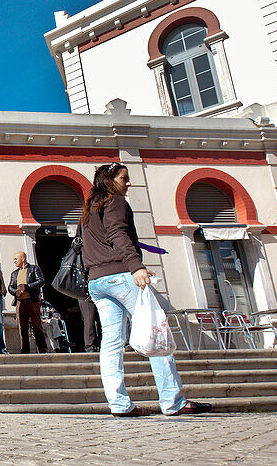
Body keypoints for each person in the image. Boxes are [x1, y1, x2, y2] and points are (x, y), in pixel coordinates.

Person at [82, 162, 211, 417]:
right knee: (157, 332)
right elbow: (117, 232)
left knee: (111, 344)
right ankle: (172, 401)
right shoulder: (115, 201)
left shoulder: (88, 209)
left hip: (97, 281)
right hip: (120, 276)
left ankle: (119, 404)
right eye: (124, 178)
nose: (128, 183)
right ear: (110, 180)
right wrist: (135, 266)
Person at [8, 251, 48, 354]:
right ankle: (25, 349)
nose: (14, 261)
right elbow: (10, 287)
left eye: (16, 258)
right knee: (22, 326)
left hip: (32, 301)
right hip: (20, 302)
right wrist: (15, 292)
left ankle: (42, 348)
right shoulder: (14, 273)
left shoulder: (34, 269)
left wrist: (26, 287)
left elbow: (41, 281)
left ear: (23, 258)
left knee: (37, 325)